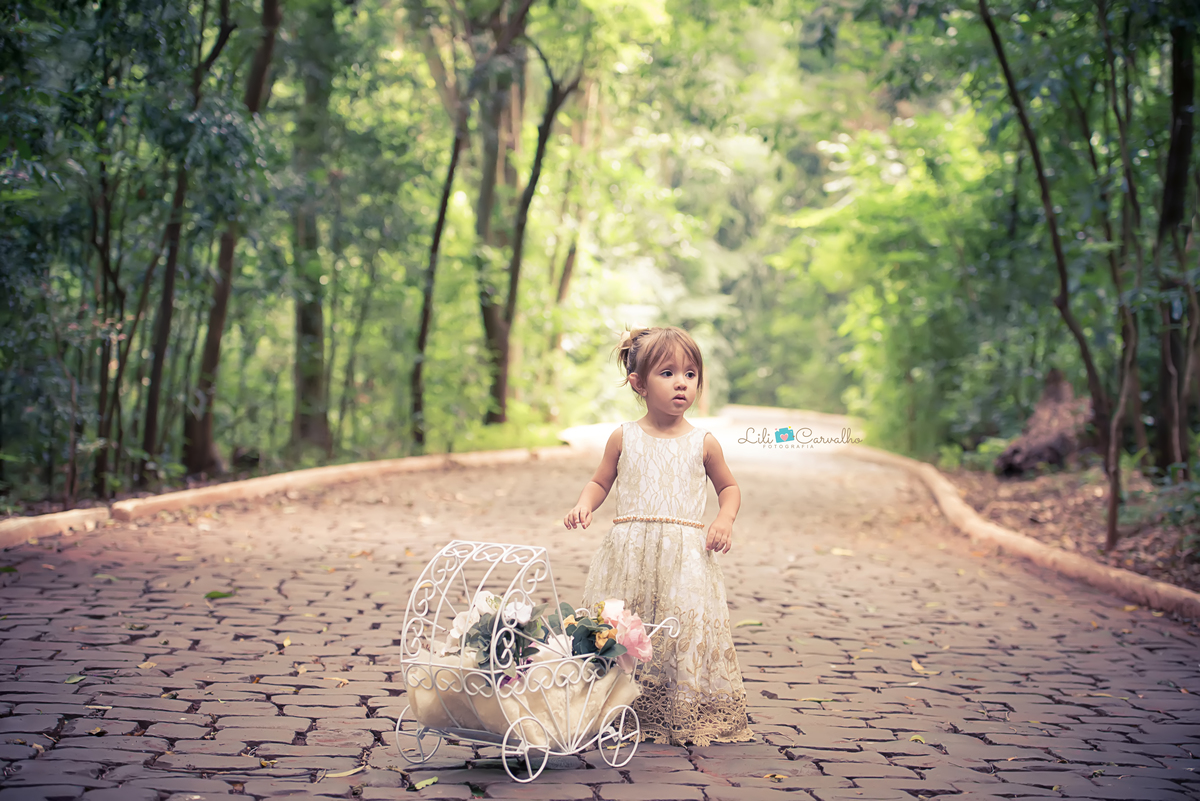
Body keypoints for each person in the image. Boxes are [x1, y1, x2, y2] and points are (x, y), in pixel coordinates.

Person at [563, 326, 753, 746]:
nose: (681, 383)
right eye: (667, 373)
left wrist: (724, 519)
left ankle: (679, 709)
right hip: (629, 553)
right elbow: (600, 481)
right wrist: (584, 504)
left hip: (685, 556)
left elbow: (729, 487)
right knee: (621, 627)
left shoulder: (703, 442)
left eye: (690, 374)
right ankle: (613, 705)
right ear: (639, 384)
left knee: (677, 629)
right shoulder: (623, 437)